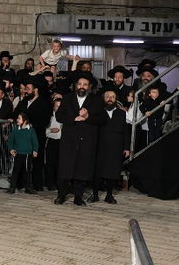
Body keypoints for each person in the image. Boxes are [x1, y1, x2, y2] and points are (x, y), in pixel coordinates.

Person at [54, 73, 104, 206]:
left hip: (87, 141)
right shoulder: (67, 98)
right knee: (65, 169)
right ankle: (61, 195)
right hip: (69, 140)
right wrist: (73, 118)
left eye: (85, 84)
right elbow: (59, 116)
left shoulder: (96, 100)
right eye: (80, 84)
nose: (82, 87)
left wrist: (88, 116)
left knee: (82, 169)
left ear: (89, 86)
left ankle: (78, 196)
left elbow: (102, 118)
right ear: (76, 85)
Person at [92, 88, 129, 204]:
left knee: (112, 172)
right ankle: (95, 195)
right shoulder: (98, 112)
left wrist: (126, 147)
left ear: (115, 99)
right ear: (103, 98)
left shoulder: (122, 113)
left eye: (112, 97)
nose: (110, 99)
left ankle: (109, 195)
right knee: (98, 172)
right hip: (100, 146)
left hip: (116, 147)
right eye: (107, 97)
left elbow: (126, 131)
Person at [6, 111, 39, 193]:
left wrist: (35, 150)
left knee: (27, 171)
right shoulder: (15, 130)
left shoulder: (31, 130)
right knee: (15, 171)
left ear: (25, 121)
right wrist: (11, 149)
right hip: (18, 154)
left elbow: (35, 142)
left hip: (27, 154)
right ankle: (12, 187)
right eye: (17, 118)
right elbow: (10, 141)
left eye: (19, 118)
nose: (17, 120)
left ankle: (28, 188)